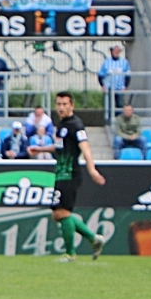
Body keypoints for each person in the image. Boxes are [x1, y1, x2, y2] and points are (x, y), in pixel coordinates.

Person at [50, 92, 107, 261]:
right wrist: (40, 150)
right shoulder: (62, 125)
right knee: (58, 214)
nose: (61, 107)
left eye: (64, 104)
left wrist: (92, 169)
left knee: (62, 212)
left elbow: (85, 148)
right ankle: (93, 238)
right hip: (61, 173)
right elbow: (60, 147)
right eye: (58, 104)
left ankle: (70, 254)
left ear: (71, 106)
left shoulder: (76, 125)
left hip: (70, 173)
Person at [97, 44, 130, 119]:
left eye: (118, 51)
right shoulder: (106, 62)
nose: (116, 52)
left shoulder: (124, 62)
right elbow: (100, 75)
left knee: (120, 104)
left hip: (119, 88)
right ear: (111, 52)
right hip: (109, 87)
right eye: (115, 51)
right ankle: (109, 121)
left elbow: (128, 75)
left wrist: (125, 86)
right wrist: (102, 85)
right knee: (109, 105)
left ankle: (119, 120)